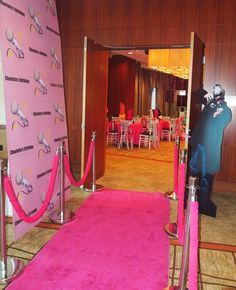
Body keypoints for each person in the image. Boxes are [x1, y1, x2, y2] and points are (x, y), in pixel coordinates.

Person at [189, 84, 232, 217]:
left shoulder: (225, 110)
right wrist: (203, 94)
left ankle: (204, 205)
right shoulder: (208, 104)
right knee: (193, 173)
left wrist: (217, 110)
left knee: (206, 177)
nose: (215, 89)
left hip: (209, 148)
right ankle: (191, 199)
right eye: (213, 89)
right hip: (198, 145)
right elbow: (196, 93)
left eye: (217, 89)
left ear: (222, 93)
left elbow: (220, 123)